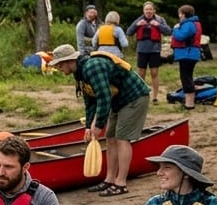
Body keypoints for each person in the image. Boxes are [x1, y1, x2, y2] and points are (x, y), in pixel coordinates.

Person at [48, 43, 151, 197]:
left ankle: (121, 183)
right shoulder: (79, 73)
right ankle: (109, 179)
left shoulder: (92, 67)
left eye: (59, 65)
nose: (58, 69)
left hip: (134, 97)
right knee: (110, 137)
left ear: (69, 61)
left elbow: (104, 97)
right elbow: (90, 102)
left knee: (122, 138)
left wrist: (99, 125)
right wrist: (89, 127)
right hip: (118, 101)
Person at [127, 2, 172, 102]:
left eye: (150, 9)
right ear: (143, 10)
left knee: (154, 73)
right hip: (142, 49)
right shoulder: (139, 20)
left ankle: (155, 97)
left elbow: (168, 31)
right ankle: (141, 95)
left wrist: (158, 25)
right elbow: (129, 32)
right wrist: (137, 25)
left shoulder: (160, 19)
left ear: (154, 10)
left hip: (154, 50)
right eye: (146, 9)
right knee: (141, 73)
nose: (148, 11)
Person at [170, 4, 204, 111]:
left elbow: (180, 36)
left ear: (183, 14)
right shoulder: (193, 23)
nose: (179, 16)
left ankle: (189, 104)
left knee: (186, 78)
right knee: (187, 77)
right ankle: (189, 101)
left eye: (180, 14)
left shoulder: (189, 24)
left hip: (187, 54)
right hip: (189, 54)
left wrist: (175, 29)